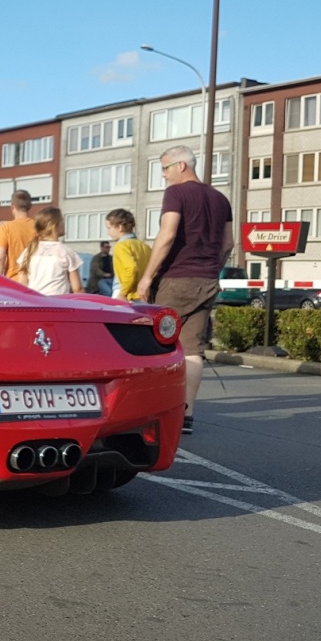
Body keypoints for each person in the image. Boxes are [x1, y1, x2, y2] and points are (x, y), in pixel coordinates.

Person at [136, 146, 234, 436]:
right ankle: (186, 414)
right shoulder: (220, 199)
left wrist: (147, 277)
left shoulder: (176, 194)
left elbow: (167, 235)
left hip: (175, 279)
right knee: (192, 350)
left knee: (157, 343)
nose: (163, 175)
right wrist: (213, 268)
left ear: (181, 166)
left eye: (165, 168)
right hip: (206, 280)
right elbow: (229, 243)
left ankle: (150, 410)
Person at [17, 206, 82, 296]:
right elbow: (77, 289)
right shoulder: (66, 252)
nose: (64, 224)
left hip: (34, 304)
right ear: (55, 225)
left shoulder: (28, 251)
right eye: (62, 221)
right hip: (57, 305)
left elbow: (22, 284)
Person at [104, 209, 150, 301]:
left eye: (109, 228)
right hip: (143, 293)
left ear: (120, 227)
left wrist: (123, 293)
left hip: (125, 293)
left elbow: (131, 269)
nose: (107, 232)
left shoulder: (121, 246)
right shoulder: (144, 246)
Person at [0, 189, 36, 282]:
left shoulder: (6, 228)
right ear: (30, 206)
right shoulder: (38, 227)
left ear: (12, 207)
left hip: (14, 282)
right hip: (35, 281)